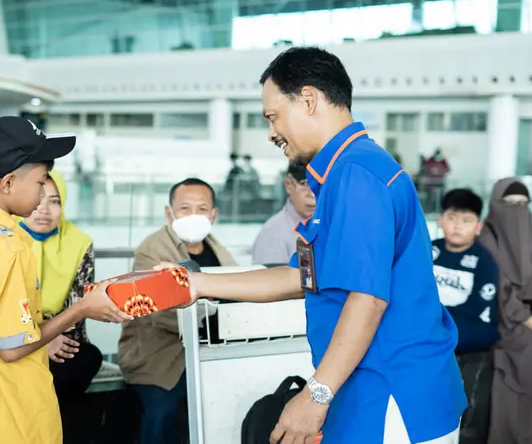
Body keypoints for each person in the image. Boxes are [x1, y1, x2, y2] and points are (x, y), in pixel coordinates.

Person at [158, 46, 466, 444]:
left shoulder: (357, 174)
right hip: (369, 388)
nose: (271, 132)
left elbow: (367, 300)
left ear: (308, 99)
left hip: (389, 394)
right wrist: (195, 284)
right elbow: (298, 275)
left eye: (273, 116)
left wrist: (315, 395)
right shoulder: (344, 173)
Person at [0, 116, 132, 444]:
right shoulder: (9, 248)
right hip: (9, 422)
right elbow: (14, 347)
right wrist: (83, 309)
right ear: (7, 183)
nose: (43, 193)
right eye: (40, 181)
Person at [118, 177, 237, 444]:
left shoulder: (218, 251)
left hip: (208, 353)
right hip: (160, 357)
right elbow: (159, 309)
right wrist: (217, 320)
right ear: (169, 213)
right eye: (185, 208)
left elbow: (237, 291)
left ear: (214, 215)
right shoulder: (153, 249)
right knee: (163, 414)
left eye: (202, 208)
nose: (194, 215)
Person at [17, 169, 103, 402]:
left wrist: (50, 337)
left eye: (54, 201)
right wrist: (37, 342)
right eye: (38, 199)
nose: (44, 209)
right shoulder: (5, 236)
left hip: (60, 336)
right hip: (11, 335)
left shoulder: (78, 242)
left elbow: (78, 308)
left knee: (85, 358)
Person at [432, 188, 499, 444]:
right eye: (452, 217)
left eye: (466, 220)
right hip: (429, 342)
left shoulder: (484, 261)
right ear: (440, 220)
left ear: (478, 226)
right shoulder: (430, 251)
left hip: (468, 349)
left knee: (467, 416)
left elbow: (479, 313)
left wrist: (436, 327)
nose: (457, 226)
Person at [479, 178, 532, 444]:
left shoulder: (530, 231)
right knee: (508, 403)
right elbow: (499, 289)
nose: (518, 210)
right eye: (510, 204)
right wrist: (525, 318)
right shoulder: (488, 237)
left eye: (523, 204)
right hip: (503, 329)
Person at [251, 160, 316, 265]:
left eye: (320, 185)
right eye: (305, 184)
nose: (312, 194)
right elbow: (271, 280)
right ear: (289, 185)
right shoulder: (273, 235)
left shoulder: (331, 226)